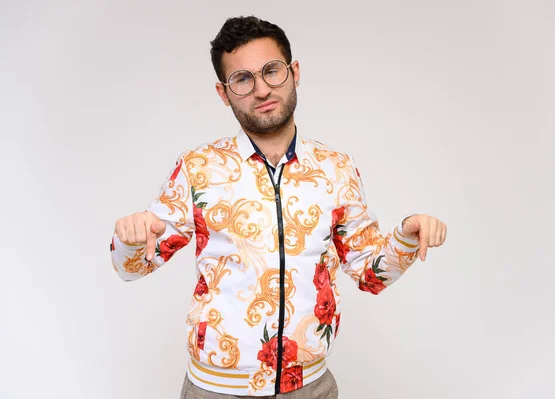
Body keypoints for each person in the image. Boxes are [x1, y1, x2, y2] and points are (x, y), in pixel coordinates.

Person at [110, 15, 447, 399]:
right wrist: (131, 239)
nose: (262, 89)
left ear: (294, 72)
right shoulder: (198, 169)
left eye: (272, 70)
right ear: (224, 93)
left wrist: (406, 235)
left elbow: (370, 274)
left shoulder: (336, 169)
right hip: (216, 391)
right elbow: (131, 268)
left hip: (312, 388)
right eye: (243, 79)